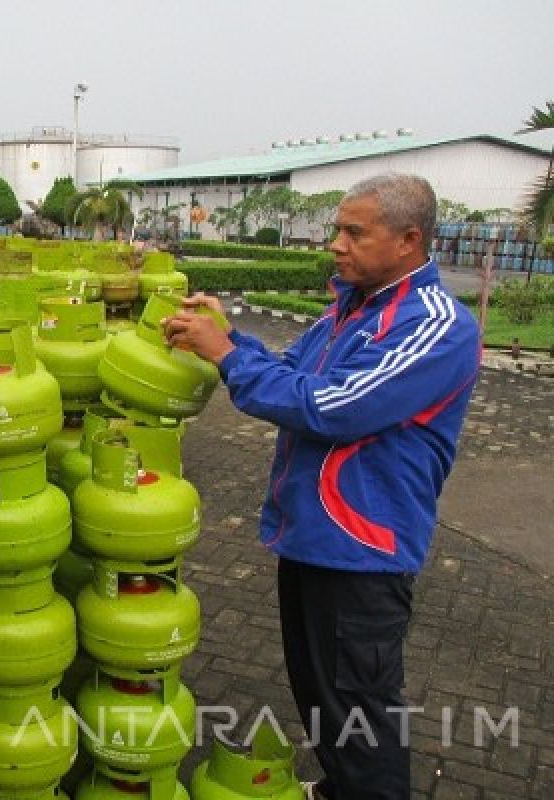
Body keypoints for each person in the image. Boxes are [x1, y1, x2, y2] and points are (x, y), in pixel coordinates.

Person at [161, 173, 480, 800]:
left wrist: (227, 358)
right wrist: (230, 340)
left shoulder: (435, 325)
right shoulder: (351, 309)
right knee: (324, 701)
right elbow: (289, 372)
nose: (335, 244)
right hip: (311, 538)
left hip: (361, 554)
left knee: (362, 714)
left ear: (409, 240)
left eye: (354, 232)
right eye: (337, 229)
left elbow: (334, 406)